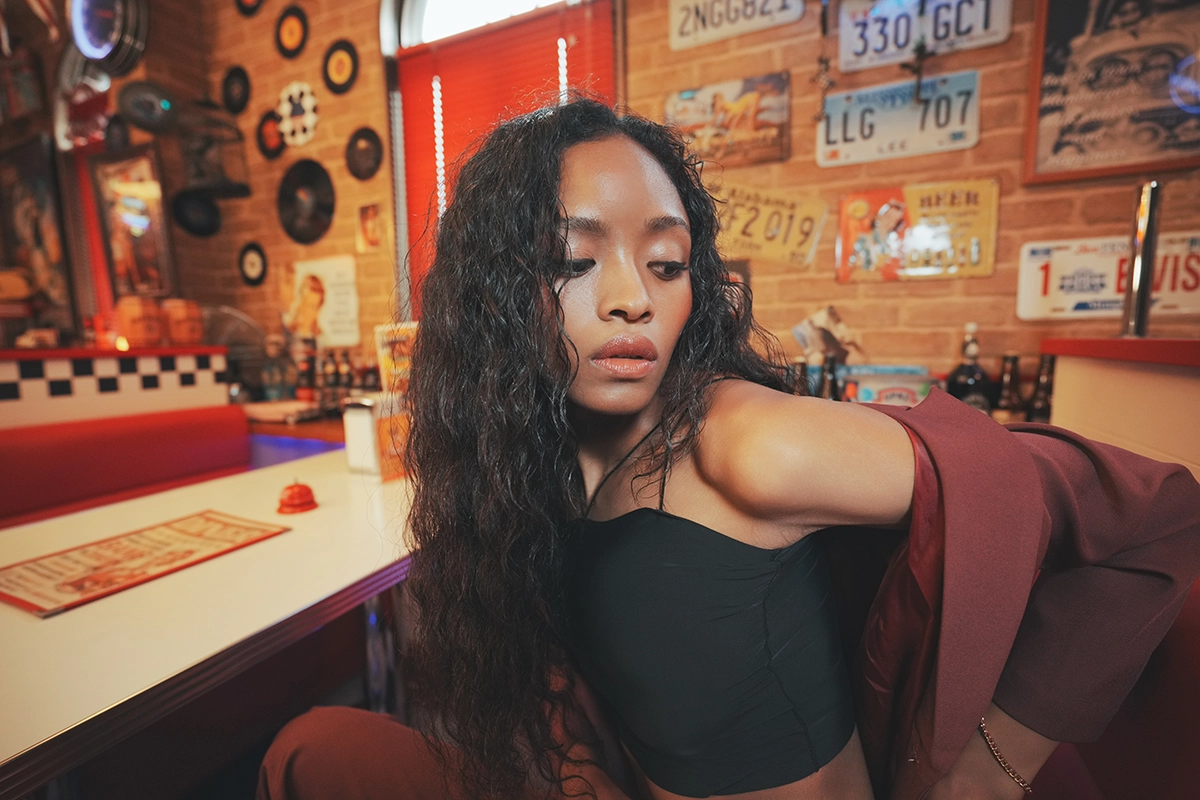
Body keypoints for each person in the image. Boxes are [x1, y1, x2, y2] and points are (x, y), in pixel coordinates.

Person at [258, 98, 1200, 800]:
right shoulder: (534, 458)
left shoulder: (743, 445)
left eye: (665, 263)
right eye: (571, 259)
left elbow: (1157, 511)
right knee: (308, 749)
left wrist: (986, 773)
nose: (631, 296)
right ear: (499, 293)